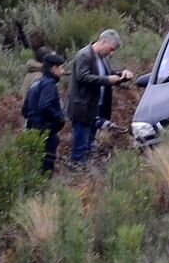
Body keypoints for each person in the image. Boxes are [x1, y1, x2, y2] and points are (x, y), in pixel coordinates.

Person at [65, 29, 133, 166]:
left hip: (95, 109)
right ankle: (78, 171)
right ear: (103, 42)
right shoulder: (84, 55)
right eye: (111, 49)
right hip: (82, 109)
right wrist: (107, 80)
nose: (111, 52)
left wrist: (122, 76)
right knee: (81, 147)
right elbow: (83, 77)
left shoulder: (102, 59)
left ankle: (84, 170)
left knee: (89, 145)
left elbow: (109, 75)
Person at [21, 53, 66, 174]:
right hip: (45, 132)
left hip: (32, 131)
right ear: (53, 69)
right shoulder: (49, 84)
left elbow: (24, 109)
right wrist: (59, 119)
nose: (63, 71)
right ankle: (43, 191)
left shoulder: (36, 84)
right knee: (45, 168)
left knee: (33, 166)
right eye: (61, 67)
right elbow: (45, 106)